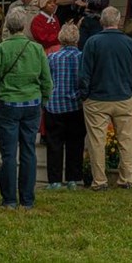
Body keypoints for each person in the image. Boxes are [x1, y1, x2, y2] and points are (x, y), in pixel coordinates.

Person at [0, 9, 52, 210]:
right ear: (24, 26)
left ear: (8, 26)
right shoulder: (37, 49)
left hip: (7, 104)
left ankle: (10, 200)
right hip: (32, 103)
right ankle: (27, 199)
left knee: (8, 154)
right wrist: (44, 100)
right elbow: (46, 80)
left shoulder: (0, 49)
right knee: (29, 151)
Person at [79, 7, 132, 190]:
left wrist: (84, 94)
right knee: (125, 140)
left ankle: (99, 181)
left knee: (97, 142)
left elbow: (84, 73)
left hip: (97, 99)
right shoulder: (130, 43)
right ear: (119, 21)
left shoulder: (92, 42)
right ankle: (125, 179)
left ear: (101, 22)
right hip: (124, 97)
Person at [44, 24, 86, 190]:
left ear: (61, 38)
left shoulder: (52, 57)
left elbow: (47, 80)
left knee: (54, 144)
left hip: (54, 105)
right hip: (75, 105)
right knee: (75, 143)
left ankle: (54, 180)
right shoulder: (82, 57)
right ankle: (73, 179)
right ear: (77, 39)